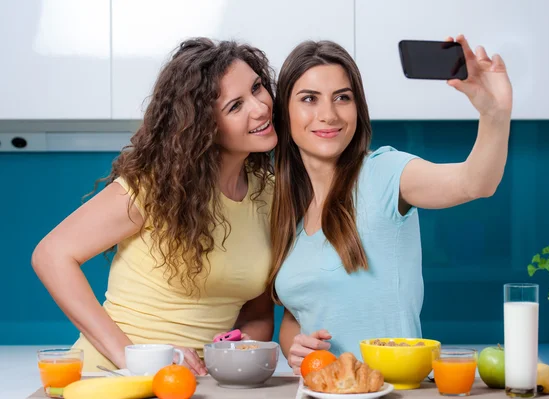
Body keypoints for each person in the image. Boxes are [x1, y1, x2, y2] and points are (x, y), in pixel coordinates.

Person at [32, 37, 278, 374]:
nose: (261, 107)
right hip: (112, 374)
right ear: (204, 127)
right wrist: (135, 359)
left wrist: (237, 348)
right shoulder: (155, 188)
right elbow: (51, 255)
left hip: (192, 383)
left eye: (257, 87)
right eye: (235, 106)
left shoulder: (270, 194)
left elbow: (258, 313)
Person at [267, 36, 513, 374]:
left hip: (396, 390)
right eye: (309, 99)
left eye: (343, 97)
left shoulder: (385, 174)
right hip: (324, 391)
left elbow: (475, 182)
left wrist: (495, 113)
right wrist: (295, 347)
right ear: (285, 112)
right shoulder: (286, 207)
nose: (329, 114)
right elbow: (299, 313)